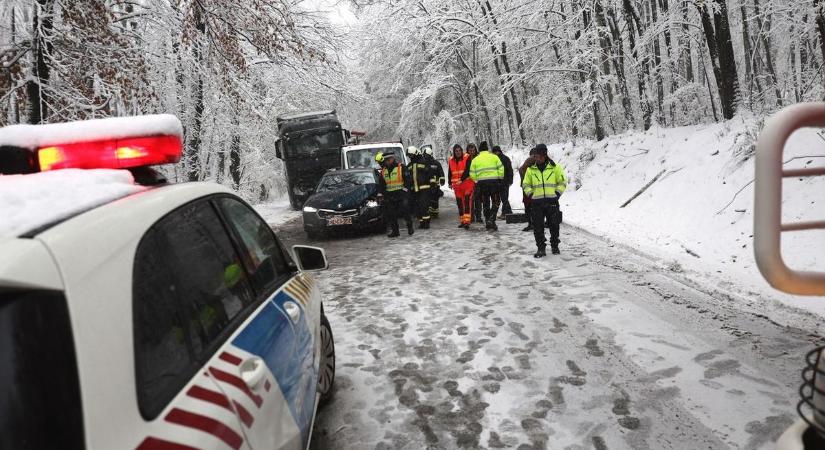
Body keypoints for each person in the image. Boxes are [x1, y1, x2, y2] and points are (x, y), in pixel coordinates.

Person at [522, 144, 567, 257]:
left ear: (545, 155)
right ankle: (541, 248)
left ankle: (555, 245)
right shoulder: (531, 170)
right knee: (538, 227)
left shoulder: (555, 167)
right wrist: (531, 194)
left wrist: (557, 193)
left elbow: (562, 182)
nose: (537, 159)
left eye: (539, 156)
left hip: (552, 201)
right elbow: (526, 184)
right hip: (537, 203)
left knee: (554, 225)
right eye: (535, 156)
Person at [376, 152, 414, 237]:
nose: (387, 162)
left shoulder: (401, 168)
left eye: (388, 160)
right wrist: (380, 193)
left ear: (392, 159)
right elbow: (381, 184)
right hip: (389, 196)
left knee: (405, 212)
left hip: (401, 194)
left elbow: (408, 181)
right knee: (391, 214)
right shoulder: (384, 171)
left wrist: (405, 192)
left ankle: (410, 227)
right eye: (386, 160)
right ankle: (395, 231)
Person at [469, 141, 505, 231]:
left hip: (482, 184)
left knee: (485, 202)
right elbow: (501, 168)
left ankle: (487, 220)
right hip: (494, 183)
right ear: (487, 149)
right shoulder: (494, 157)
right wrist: (499, 178)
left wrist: (477, 180)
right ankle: (492, 220)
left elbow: (472, 173)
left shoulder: (475, 160)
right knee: (496, 201)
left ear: (479, 150)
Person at [447, 144, 473, 228]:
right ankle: (462, 221)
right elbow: (450, 172)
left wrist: (461, 179)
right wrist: (449, 182)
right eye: (456, 151)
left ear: (462, 151)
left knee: (466, 202)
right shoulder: (451, 160)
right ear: (454, 152)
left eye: (459, 151)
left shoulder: (467, 157)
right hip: (457, 186)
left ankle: (467, 222)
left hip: (467, 183)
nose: (458, 152)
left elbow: (468, 170)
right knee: (459, 204)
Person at [406, 146, 432, 229]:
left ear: (415, 154)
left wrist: (433, 185)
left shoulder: (424, 162)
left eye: (411, 155)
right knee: (417, 208)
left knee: (424, 206)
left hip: (424, 188)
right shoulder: (409, 165)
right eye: (409, 156)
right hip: (414, 189)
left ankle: (426, 223)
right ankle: (421, 223)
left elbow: (430, 174)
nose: (410, 157)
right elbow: (408, 177)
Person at [519, 147, 538, 232]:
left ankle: (530, 224)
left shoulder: (528, 161)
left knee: (527, 206)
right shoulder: (541, 160)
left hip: (527, 187)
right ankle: (538, 223)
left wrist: (524, 180)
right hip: (538, 187)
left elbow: (521, 170)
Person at [462, 143, 483, 223]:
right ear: (467, 151)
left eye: (473, 150)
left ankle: (478, 216)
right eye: (470, 150)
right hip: (468, 182)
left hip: (477, 181)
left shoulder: (478, 157)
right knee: (470, 200)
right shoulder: (465, 158)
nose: (472, 152)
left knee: (478, 199)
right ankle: (471, 216)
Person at [492, 145, 514, 219]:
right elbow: (510, 170)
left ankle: (507, 213)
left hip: (501, 181)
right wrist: (510, 180)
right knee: (504, 198)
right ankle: (506, 213)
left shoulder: (496, 159)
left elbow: (509, 170)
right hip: (505, 181)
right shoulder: (506, 158)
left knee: (503, 198)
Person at [423, 146, 445, 218]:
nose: (425, 156)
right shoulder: (424, 164)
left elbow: (441, 172)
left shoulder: (436, 163)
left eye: (426, 155)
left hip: (435, 185)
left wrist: (442, 180)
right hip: (427, 185)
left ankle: (435, 213)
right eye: (424, 155)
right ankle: (429, 212)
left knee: (435, 200)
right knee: (428, 199)